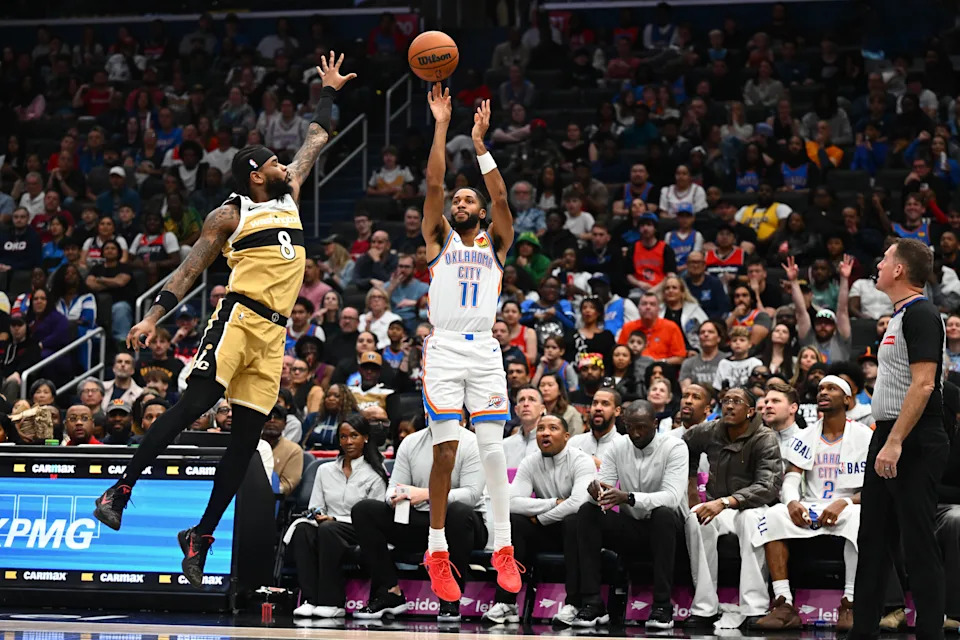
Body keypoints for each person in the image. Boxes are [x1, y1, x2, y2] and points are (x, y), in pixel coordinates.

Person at [92, 51, 355, 588]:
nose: (287, 165)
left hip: (275, 333)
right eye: (276, 163)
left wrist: (328, 90)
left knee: (245, 440)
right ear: (255, 172)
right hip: (237, 319)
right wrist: (154, 317)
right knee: (193, 403)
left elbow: (315, 140)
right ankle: (120, 488)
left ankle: (201, 535)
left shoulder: (291, 193)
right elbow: (190, 268)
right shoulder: (229, 215)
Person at [417, 86, 522, 602]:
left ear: (479, 211)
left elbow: (501, 198)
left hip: (483, 348)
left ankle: (503, 546)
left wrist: (481, 145)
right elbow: (434, 182)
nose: (460, 201)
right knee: (446, 451)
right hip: (443, 349)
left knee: (494, 451)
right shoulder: (438, 240)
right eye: (456, 200)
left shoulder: (495, 244)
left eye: (468, 199)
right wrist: (442, 125)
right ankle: (436, 550)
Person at [850, 238, 951, 640]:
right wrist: (885, 439)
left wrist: (895, 442)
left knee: (918, 540)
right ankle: (861, 632)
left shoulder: (923, 314)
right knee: (871, 538)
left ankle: (930, 633)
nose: (878, 263)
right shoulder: (897, 315)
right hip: (887, 434)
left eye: (885, 258)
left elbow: (925, 384)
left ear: (899, 270)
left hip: (915, 437)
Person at [752, 376, 870, 631]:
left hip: (850, 506)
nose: (823, 392)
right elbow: (792, 476)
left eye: (832, 389)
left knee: (863, 518)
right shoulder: (806, 435)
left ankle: (849, 604)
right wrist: (792, 501)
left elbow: (873, 489)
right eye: (820, 389)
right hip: (812, 505)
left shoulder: (865, 436)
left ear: (848, 400)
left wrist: (845, 502)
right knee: (774, 515)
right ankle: (784, 604)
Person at [350, 418, 485, 621]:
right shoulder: (411, 442)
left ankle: (450, 596)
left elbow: (472, 494)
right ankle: (389, 591)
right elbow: (393, 488)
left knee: (459, 512)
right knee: (364, 510)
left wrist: (427, 494)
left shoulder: (473, 443)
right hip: (421, 521)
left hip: (462, 525)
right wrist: (395, 497)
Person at [573, 400, 688, 629]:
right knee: (587, 512)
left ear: (655, 423)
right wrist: (596, 492)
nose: (635, 433)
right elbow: (604, 483)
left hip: (669, 531)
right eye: (630, 427)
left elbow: (672, 497)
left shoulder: (675, 447)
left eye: (642, 427)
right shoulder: (618, 446)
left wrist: (629, 497)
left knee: (663, 515)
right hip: (631, 528)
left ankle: (662, 607)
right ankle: (593, 603)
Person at [683, 387, 782, 630]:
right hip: (720, 506)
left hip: (754, 506)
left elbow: (768, 486)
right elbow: (683, 447)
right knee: (695, 518)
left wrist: (727, 501)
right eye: (726, 400)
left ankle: (755, 607)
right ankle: (704, 607)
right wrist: (691, 484)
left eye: (736, 402)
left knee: (750, 521)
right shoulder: (711, 430)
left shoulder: (764, 437)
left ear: (750, 411)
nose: (728, 405)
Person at [484, 412, 595, 625]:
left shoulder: (582, 461)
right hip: (548, 529)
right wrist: (553, 503)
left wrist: (541, 518)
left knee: (575, 521)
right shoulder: (530, 462)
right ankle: (507, 603)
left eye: (553, 428)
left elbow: (578, 503)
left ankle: (574, 603)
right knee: (514, 520)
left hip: (576, 533)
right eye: (542, 428)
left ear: (566, 436)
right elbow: (512, 502)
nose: (545, 433)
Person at [289, 414, 389, 618]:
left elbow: (375, 517)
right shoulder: (324, 470)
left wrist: (334, 521)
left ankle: (332, 602)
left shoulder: (375, 474)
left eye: (354, 435)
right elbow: (315, 506)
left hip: (360, 530)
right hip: (327, 525)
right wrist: (319, 516)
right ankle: (310, 599)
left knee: (329, 529)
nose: (348, 441)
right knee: (302, 530)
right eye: (343, 437)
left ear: (366, 438)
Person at [785, 255, 853, 363]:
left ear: (835, 326)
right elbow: (801, 312)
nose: (823, 326)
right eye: (819, 323)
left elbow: (842, 311)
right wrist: (793, 281)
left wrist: (844, 279)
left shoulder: (841, 340)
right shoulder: (808, 340)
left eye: (828, 323)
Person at [617, 293, 686, 364]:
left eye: (652, 304)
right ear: (638, 308)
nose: (648, 307)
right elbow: (619, 352)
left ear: (658, 309)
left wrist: (659, 363)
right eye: (644, 304)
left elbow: (680, 357)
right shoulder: (628, 327)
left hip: (661, 370)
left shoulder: (671, 327)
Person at [568, 386, 624, 465]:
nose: (598, 408)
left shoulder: (624, 446)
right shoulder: (574, 443)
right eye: (595, 403)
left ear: (617, 411)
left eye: (605, 404)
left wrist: (600, 467)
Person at [503, 386, 544, 468]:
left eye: (532, 399)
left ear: (542, 409)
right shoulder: (504, 445)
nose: (526, 404)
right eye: (521, 400)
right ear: (516, 410)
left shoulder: (552, 444)